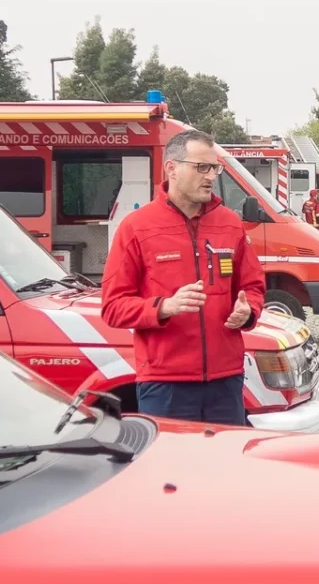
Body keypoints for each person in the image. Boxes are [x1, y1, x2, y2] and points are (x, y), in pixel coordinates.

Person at [100, 129, 264, 425]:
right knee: (171, 470)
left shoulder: (230, 224)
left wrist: (248, 310)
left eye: (214, 168)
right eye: (201, 167)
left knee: (224, 467)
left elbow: (252, 286)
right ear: (171, 168)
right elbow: (112, 307)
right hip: (166, 384)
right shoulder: (137, 227)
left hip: (225, 381)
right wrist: (163, 308)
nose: (211, 176)